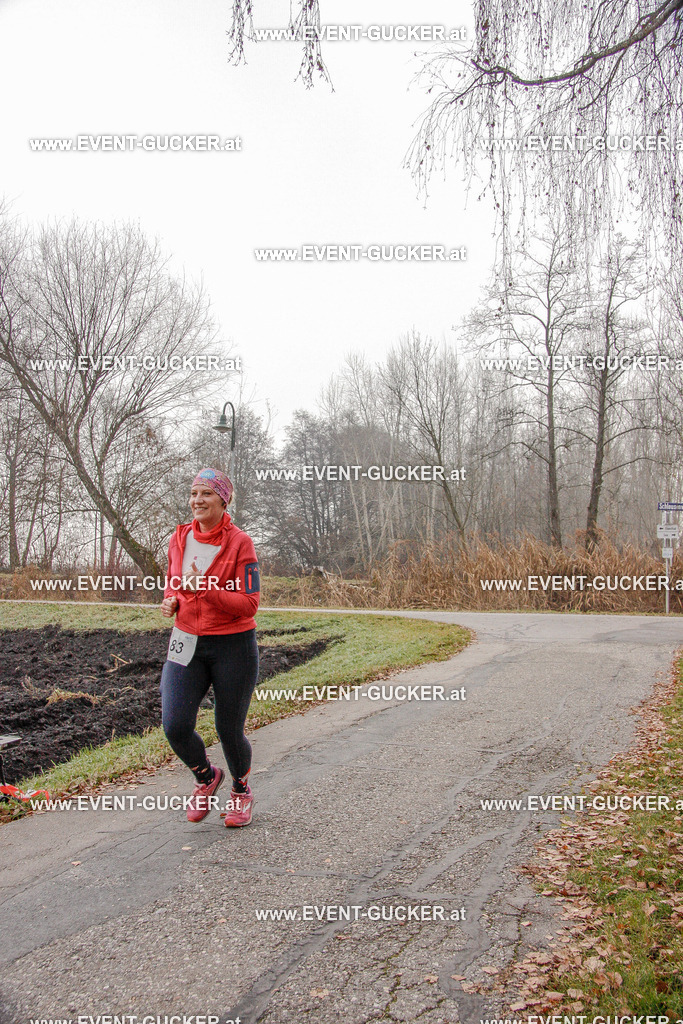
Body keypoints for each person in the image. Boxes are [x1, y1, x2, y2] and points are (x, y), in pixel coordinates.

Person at [159, 468, 260, 827]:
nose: (197, 500)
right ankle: (206, 777)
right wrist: (171, 599)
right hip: (186, 640)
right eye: (193, 493)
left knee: (228, 729)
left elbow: (249, 604)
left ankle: (240, 791)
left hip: (233, 645)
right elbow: (174, 582)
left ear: (223, 500)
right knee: (174, 725)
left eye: (206, 494)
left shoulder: (240, 543)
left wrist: (205, 589)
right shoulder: (179, 538)